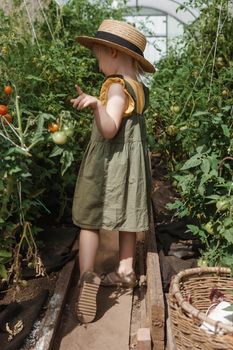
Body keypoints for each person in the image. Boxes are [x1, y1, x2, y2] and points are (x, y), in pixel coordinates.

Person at [71, 19, 155, 324]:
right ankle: (125, 269)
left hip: (108, 165)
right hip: (131, 167)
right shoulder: (139, 88)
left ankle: (87, 276)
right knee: (129, 217)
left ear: (114, 53)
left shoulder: (117, 87)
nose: (98, 63)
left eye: (99, 56)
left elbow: (109, 130)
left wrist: (97, 105)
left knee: (89, 218)